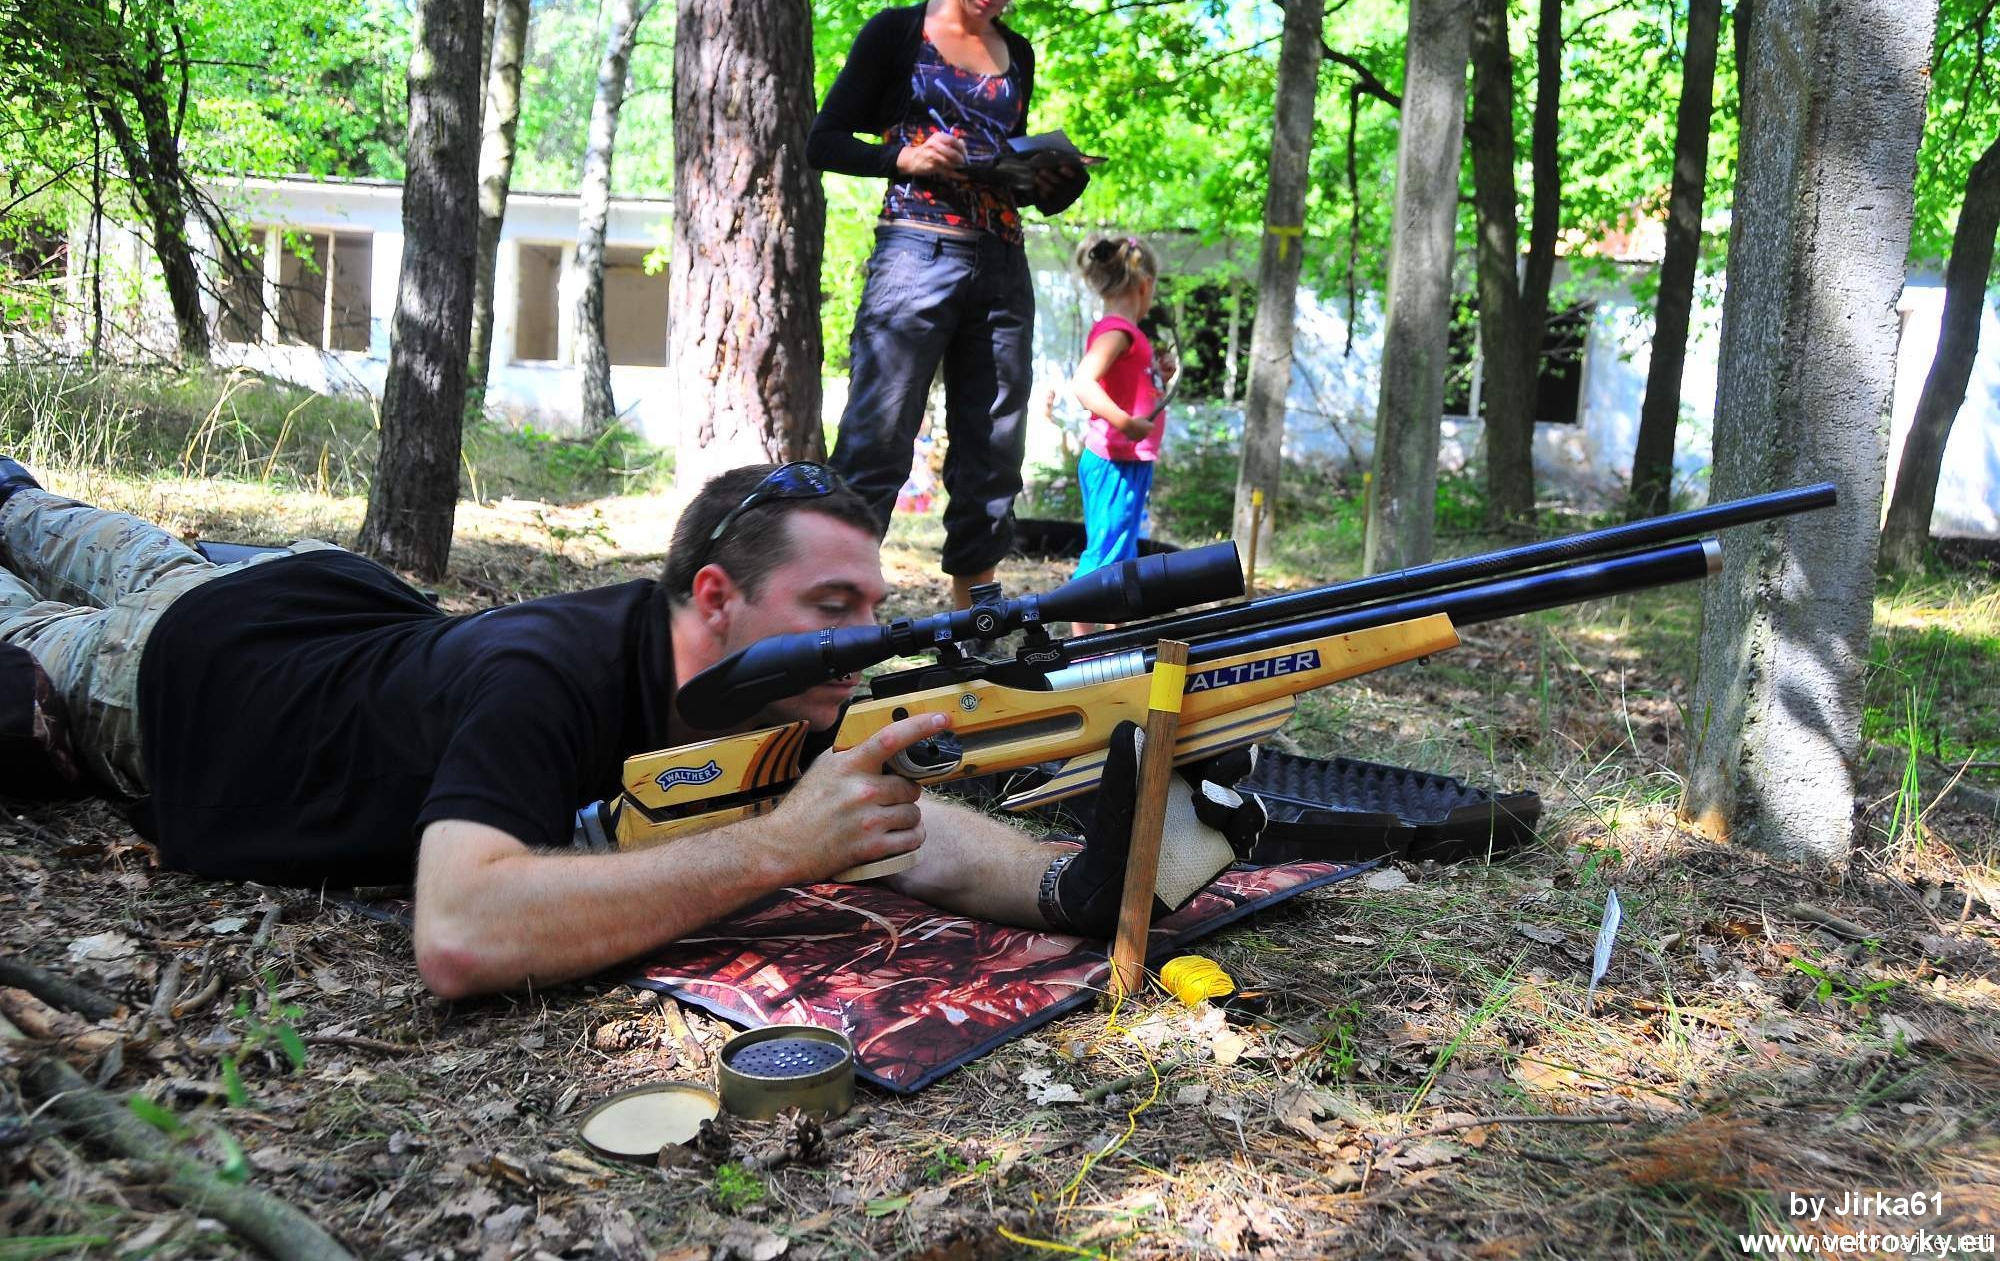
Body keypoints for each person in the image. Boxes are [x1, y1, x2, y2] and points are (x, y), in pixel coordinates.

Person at [0, 457, 1258, 1000]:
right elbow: (458, 931)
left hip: (304, 591)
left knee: (46, 512)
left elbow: (887, 816)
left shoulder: (768, 683)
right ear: (713, 596)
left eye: (873, 606)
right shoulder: (542, 678)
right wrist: (776, 848)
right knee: (29, 557)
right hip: (172, 675)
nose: (866, 635)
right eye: (832, 606)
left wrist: (1059, 884)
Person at [808, 0, 1088, 612]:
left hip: (1003, 265)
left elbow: (1005, 166)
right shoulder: (896, 34)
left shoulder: (1018, 53)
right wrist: (901, 159)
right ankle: (832, 622)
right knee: (876, 442)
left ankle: (975, 630)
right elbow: (824, 141)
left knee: (993, 452)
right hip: (915, 255)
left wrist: (1049, 180)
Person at [1067, 235, 1172, 634]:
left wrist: (1159, 374)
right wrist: (1126, 423)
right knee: (1105, 557)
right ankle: (1081, 649)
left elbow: (1129, 385)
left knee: (1120, 557)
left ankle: (1115, 643)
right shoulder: (1118, 332)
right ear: (1145, 284)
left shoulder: (1128, 334)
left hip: (1129, 463)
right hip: (1115, 462)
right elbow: (1083, 384)